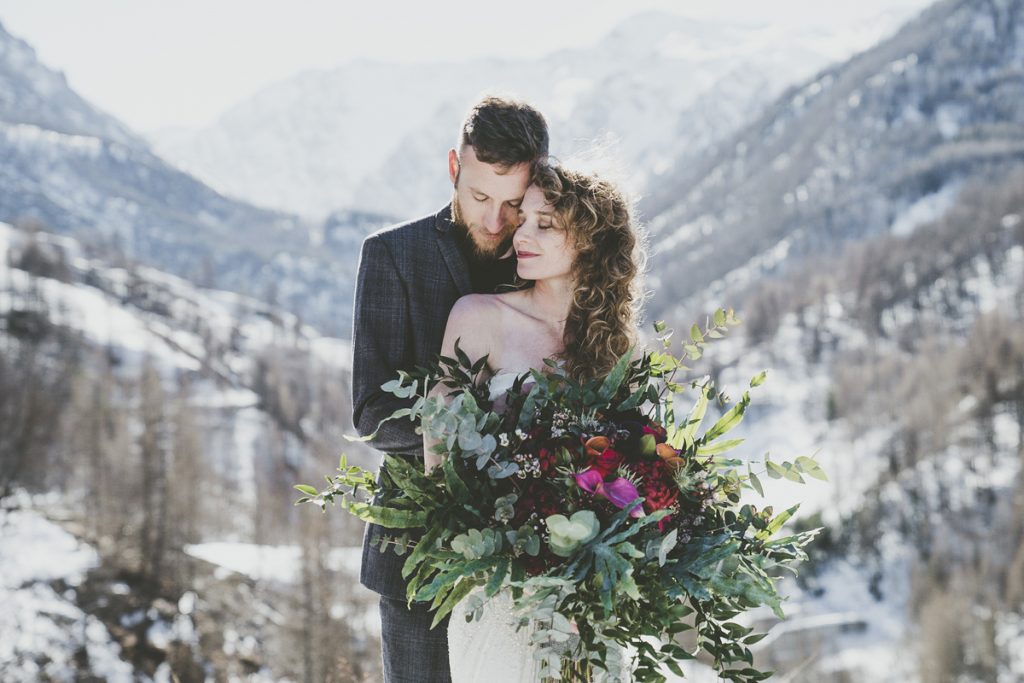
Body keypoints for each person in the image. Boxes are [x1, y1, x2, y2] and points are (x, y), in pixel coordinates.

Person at [350, 95, 549, 683]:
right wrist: (480, 444)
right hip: (413, 553)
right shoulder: (393, 256)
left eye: (514, 204)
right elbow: (371, 412)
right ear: (453, 169)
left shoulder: (548, 254)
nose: (496, 223)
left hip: (535, 554)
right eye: (480, 197)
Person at [424, 163, 645, 682]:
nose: (520, 234)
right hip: (502, 589)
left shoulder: (622, 349)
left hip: (592, 596)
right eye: (523, 220)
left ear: (591, 240)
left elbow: (636, 468)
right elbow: (441, 458)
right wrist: (509, 544)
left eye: (544, 224)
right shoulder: (478, 317)